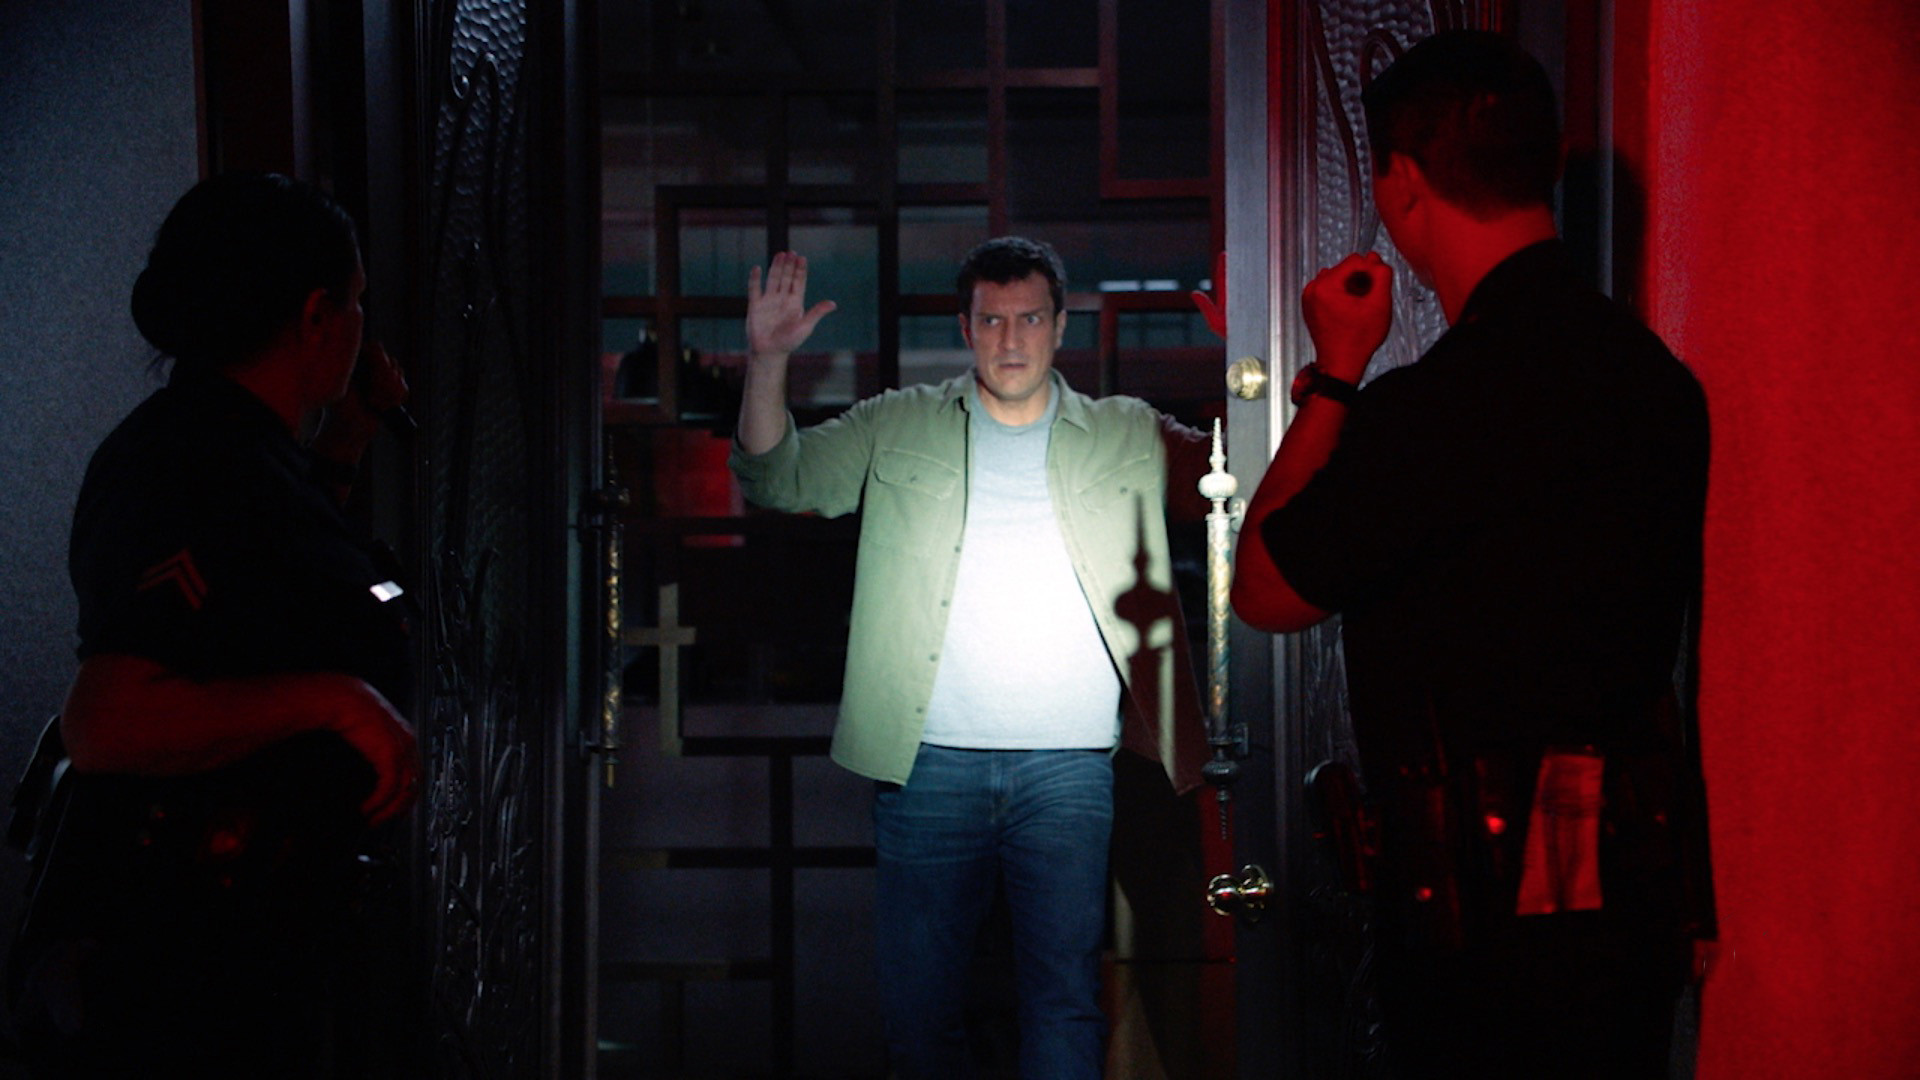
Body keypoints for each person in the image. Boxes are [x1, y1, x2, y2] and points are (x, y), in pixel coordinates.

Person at [1231, 31, 1711, 1079]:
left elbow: (1264, 588)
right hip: (1627, 882)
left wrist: (1338, 379)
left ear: (1405, 184)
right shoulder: (1660, 384)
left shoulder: (1436, 407)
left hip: (1475, 914)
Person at [729, 237, 1209, 1077]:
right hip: (927, 763)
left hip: (1069, 766)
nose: (1011, 340)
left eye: (1030, 319)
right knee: (919, 1009)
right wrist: (767, 362)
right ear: (965, 327)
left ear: (1060, 325)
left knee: (1063, 999)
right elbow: (777, 479)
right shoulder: (899, 420)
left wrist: (1257, 363)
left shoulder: (1126, 430)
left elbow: (1234, 481)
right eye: (992, 321)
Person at [5, 172, 422, 1077]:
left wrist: (344, 446)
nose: (364, 327)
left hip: (248, 945)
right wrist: (339, 702)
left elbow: (264, 598)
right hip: (177, 972)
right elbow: (108, 720)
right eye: (356, 302)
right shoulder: (189, 458)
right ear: (315, 315)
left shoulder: (256, 453)